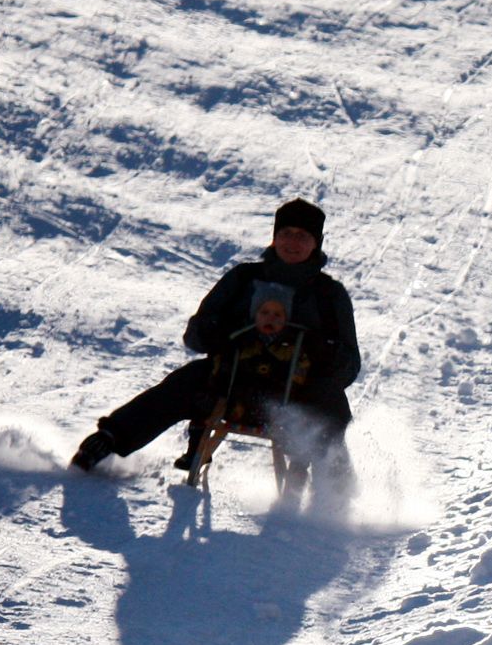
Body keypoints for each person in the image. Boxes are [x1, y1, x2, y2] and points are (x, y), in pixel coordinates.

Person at [71, 198, 362, 479]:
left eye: (302, 236)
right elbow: (195, 334)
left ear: (316, 243)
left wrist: (323, 351)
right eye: (286, 233)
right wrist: (218, 332)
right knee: (187, 379)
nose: (293, 242)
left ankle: (335, 487)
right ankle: (109, 438)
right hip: (232, 384)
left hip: (295, 396)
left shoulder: (329, 295)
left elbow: (350, 366)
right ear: (275, 237)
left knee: (331, 399)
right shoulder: (244, 279)